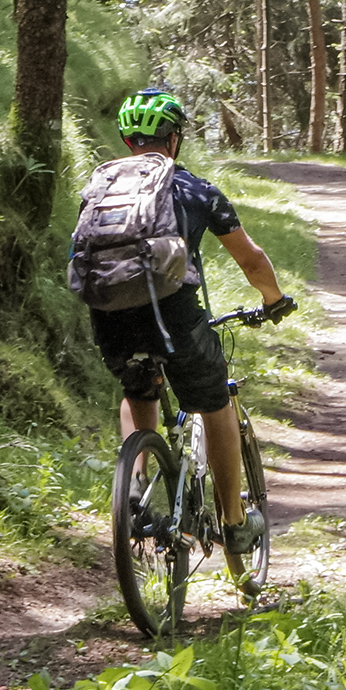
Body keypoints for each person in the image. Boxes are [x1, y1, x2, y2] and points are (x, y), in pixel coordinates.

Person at [88, 90, 295, 560]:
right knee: (214, 401)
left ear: (126, 139)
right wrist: (274, 300)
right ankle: (234, 522)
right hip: (175, 314)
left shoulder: (101, 191)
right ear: (175, 139)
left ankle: (135, 490)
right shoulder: (196, 190)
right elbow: (251, 258)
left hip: (109, 313)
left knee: (137, 386)